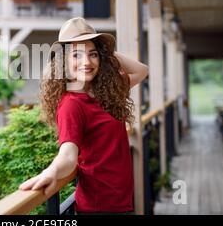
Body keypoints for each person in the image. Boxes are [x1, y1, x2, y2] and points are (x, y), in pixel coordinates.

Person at [19, 17, 149, 214]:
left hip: (119, 201)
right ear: (63, 61)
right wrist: (52, 172)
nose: (86, 62)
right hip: (98, 207)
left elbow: (141, 71)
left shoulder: (106, 92)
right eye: (76, 55)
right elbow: (68, 155)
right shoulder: (71, 104)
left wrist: (105, 50)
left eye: (93, 54)